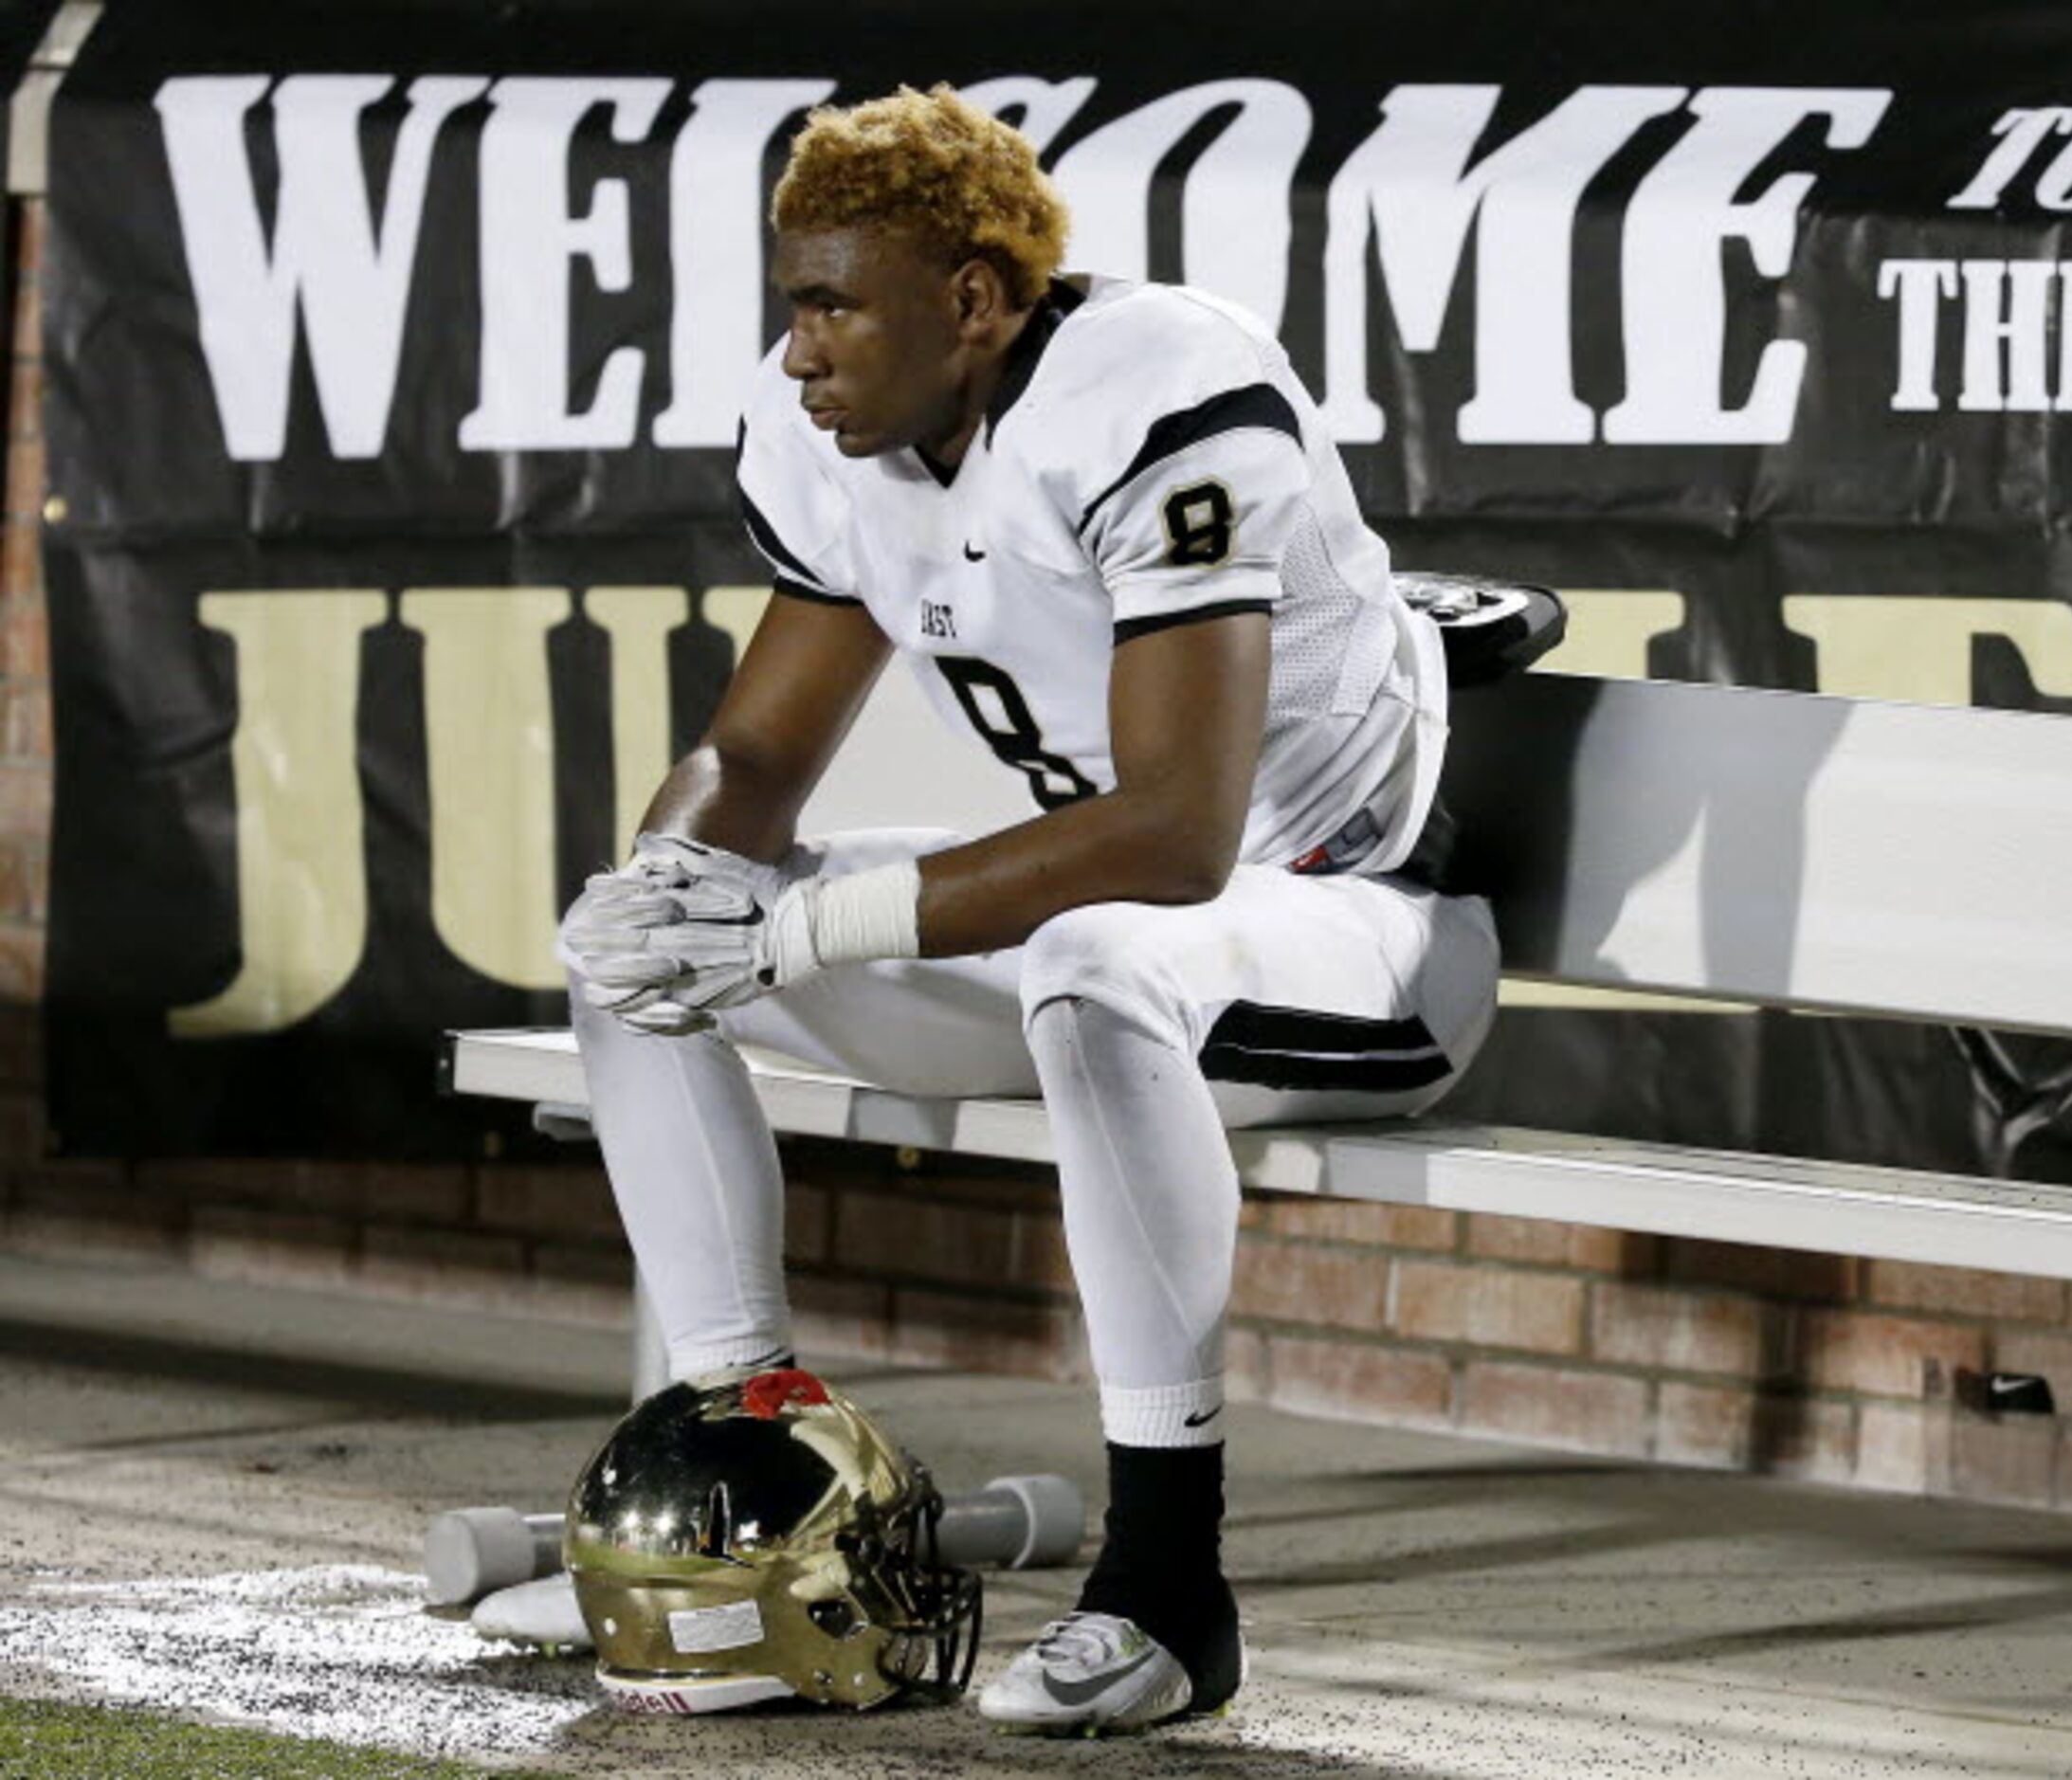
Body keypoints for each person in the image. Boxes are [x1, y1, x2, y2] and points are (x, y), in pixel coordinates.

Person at [555, 83, 1499, 1734]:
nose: (799, 350)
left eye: (834, 303)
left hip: (1360, 924)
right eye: (794, 303)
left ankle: (1166, 1585)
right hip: (1130, 937)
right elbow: (754, 748)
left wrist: (808, 928)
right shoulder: (834, 435)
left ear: (974, 301)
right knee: (638, 954)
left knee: (1088, 962)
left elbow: (1177, 834)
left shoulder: (1162, 385)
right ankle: (755, 1463)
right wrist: (681, 882)